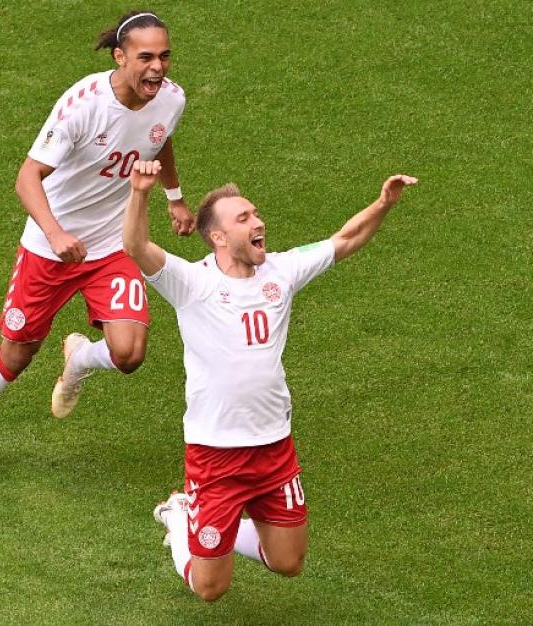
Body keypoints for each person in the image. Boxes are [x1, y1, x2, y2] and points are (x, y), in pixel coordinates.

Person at [122, 159, 418, 601]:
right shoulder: (191, 282)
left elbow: (346, 239)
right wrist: (140, 193)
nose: (259, 222)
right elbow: (136, 246)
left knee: (288, 562)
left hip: (274, 447)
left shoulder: (281, 271)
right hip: (215, 454)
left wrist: (383, 203)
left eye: (255, 214)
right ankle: (183, 518)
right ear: (219, 237)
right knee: (210, 589)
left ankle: (214, 526)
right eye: (244, 218)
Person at [0, 10, 194, 480]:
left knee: (130, 353)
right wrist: (56, 233)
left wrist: (175, 199)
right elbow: (26, 177)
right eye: (145, 57)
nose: (158, 67)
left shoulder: (170, 99)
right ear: (120, 57)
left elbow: (160, 141)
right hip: (50, 247)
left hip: (112, 244)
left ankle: (79, 359)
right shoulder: (83, 104)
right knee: (17, 353)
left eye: (164, 56)